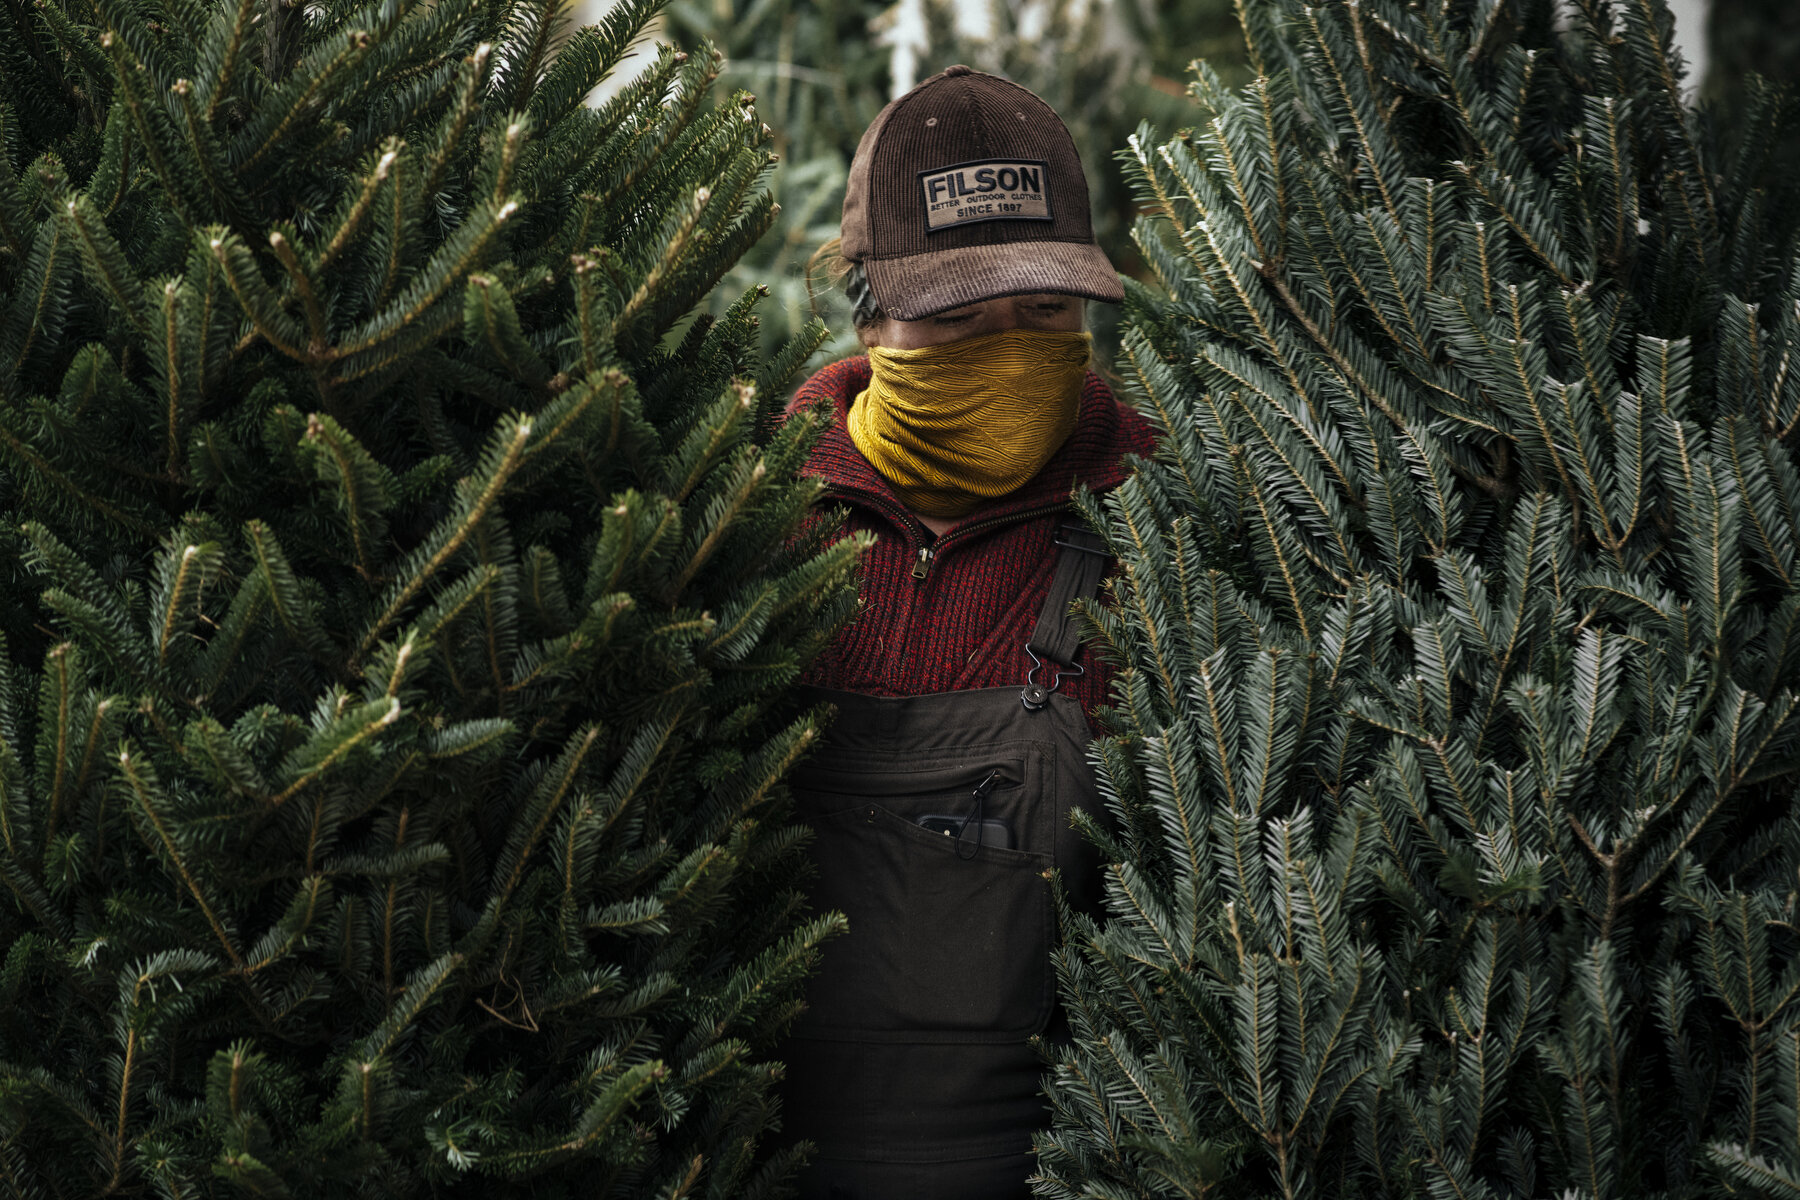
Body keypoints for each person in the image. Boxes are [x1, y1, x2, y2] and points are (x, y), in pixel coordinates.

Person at [779, 65, 1156, 1200]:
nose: (1005, 346)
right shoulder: (755, 514)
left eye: (1044, 313)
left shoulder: (1155, 516)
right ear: (869, 309)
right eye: (955, 315)